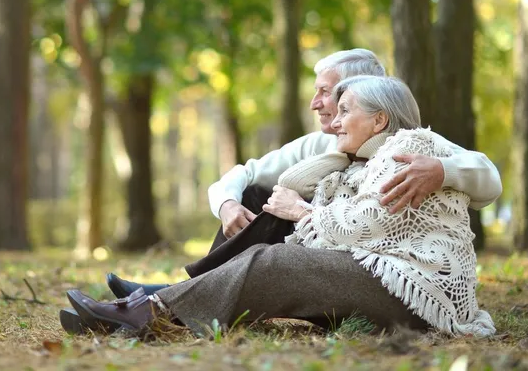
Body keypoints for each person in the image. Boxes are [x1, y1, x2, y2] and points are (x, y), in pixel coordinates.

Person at [60, 76, 497, 338]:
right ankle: (152, 309)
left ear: (380, 119)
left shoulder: (409, 147)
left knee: (271, 262)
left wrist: (303, 213)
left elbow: (363, 224)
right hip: (383, 280)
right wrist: (308, 196)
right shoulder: (350, 162)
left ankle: (145, 312)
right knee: (270, 253)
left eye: (344, 110)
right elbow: (305, 218)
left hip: (418, 291)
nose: (334, 120)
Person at [104, 49, 502, 297]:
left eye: (329, 93)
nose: (317, 104)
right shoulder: (318, 147)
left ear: (366, 98)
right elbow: (243, 174)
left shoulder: (411, 145)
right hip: (329, 244)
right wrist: (227, 205)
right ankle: (185, 294)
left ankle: (176, 297)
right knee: (256, 193)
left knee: (272, 244)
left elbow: (488, 177)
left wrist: (442, 170)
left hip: (368, 258)